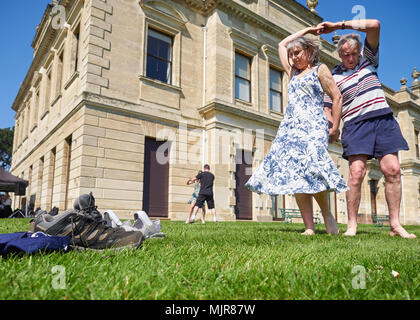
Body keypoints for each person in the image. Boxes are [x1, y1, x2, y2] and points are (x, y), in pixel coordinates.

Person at [245, 26, 348, 235]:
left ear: (309, 52)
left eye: (297, 53)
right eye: (291, 55)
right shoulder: (292, 72)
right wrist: (308, 29)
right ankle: (309, 226)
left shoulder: (320, 69)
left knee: (313, 169)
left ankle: (327, 215)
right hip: (290, 128)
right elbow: (281, 44)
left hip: (313, 126)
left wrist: (335, 127)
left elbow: (337, 97)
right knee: (297, 175)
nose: (293, 58)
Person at [319, 19, 415, 238]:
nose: (350, 58)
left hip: (382, 119)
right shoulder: (334, 77)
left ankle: (395, 225)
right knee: (356, 173)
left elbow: (375, 25)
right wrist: (333, 127)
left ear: (358, 51)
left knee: (392, 170)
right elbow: (327, 105)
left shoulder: (368, 61)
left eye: (353, 53)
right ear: (339, 55)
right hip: (355, 124)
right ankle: (352, 225)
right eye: (345, 55)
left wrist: (338, 25)